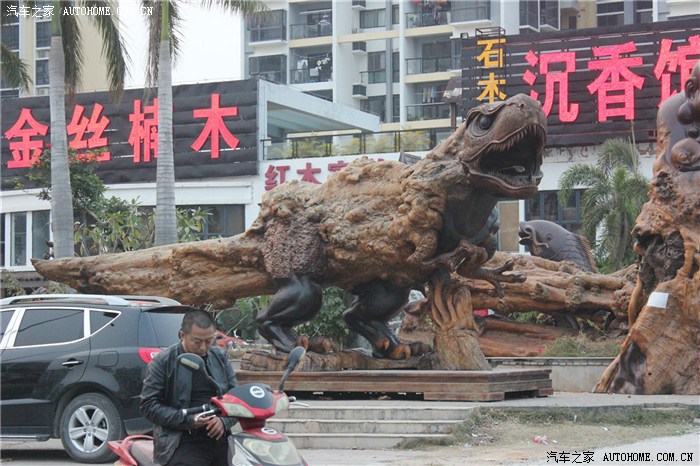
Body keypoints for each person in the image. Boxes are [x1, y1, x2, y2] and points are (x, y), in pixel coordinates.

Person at [140, 309, 237, 466]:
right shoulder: (163, 362)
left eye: (209, 341)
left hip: (219, 436)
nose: (203, 347)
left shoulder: (220, 357)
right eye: (197, 341)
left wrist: (223, 421)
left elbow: (236, 398)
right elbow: (148, 406)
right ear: (182, 335)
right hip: (180, 439)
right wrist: (189, 420)